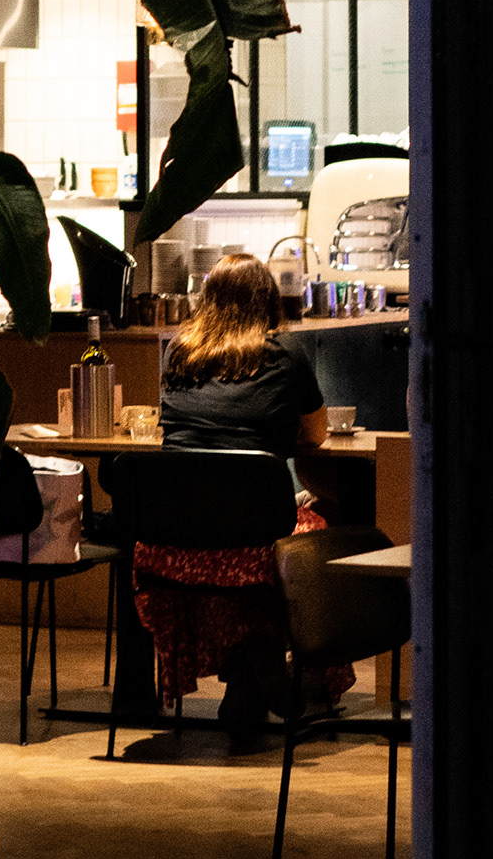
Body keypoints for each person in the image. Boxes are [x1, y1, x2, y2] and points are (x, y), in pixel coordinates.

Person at [135, 254, 352, 737]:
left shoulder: (179, 352)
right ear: (268, 301)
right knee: (321, 527)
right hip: (257, 541)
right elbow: (316, 434)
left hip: (172, 543)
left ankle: (246, 677)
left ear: (206, 301)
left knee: (244, 533)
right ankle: (281, 670)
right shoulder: (286, 354)